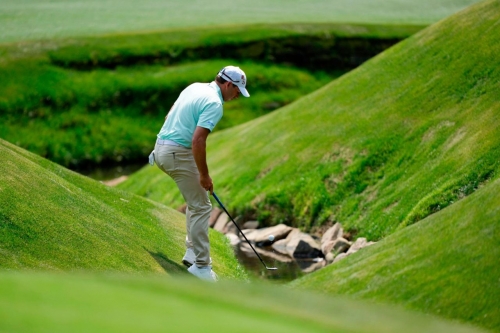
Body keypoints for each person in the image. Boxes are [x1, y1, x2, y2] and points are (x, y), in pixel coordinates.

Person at [151, 66, 250, 282]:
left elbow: (171, 114)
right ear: (228, 85)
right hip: (177, 151)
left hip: (162, 148)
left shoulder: (194, 87)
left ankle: (192, 252)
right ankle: (202, 267)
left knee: (197, 202)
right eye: (237, 91)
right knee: (202, 206)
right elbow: (198, 140)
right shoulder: (215, 104)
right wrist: (204, 175)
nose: (236, 96)